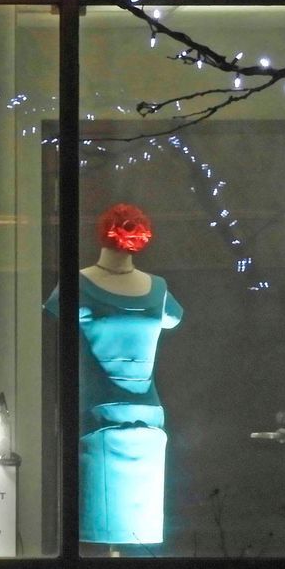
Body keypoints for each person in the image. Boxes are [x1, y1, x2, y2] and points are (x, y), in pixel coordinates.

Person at [46, 202, 184, 550]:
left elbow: (174, 317)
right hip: (98, 415)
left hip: (147, 420)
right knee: (98, 522)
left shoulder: (158, 288)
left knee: (140, 525)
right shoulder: (78, 284)